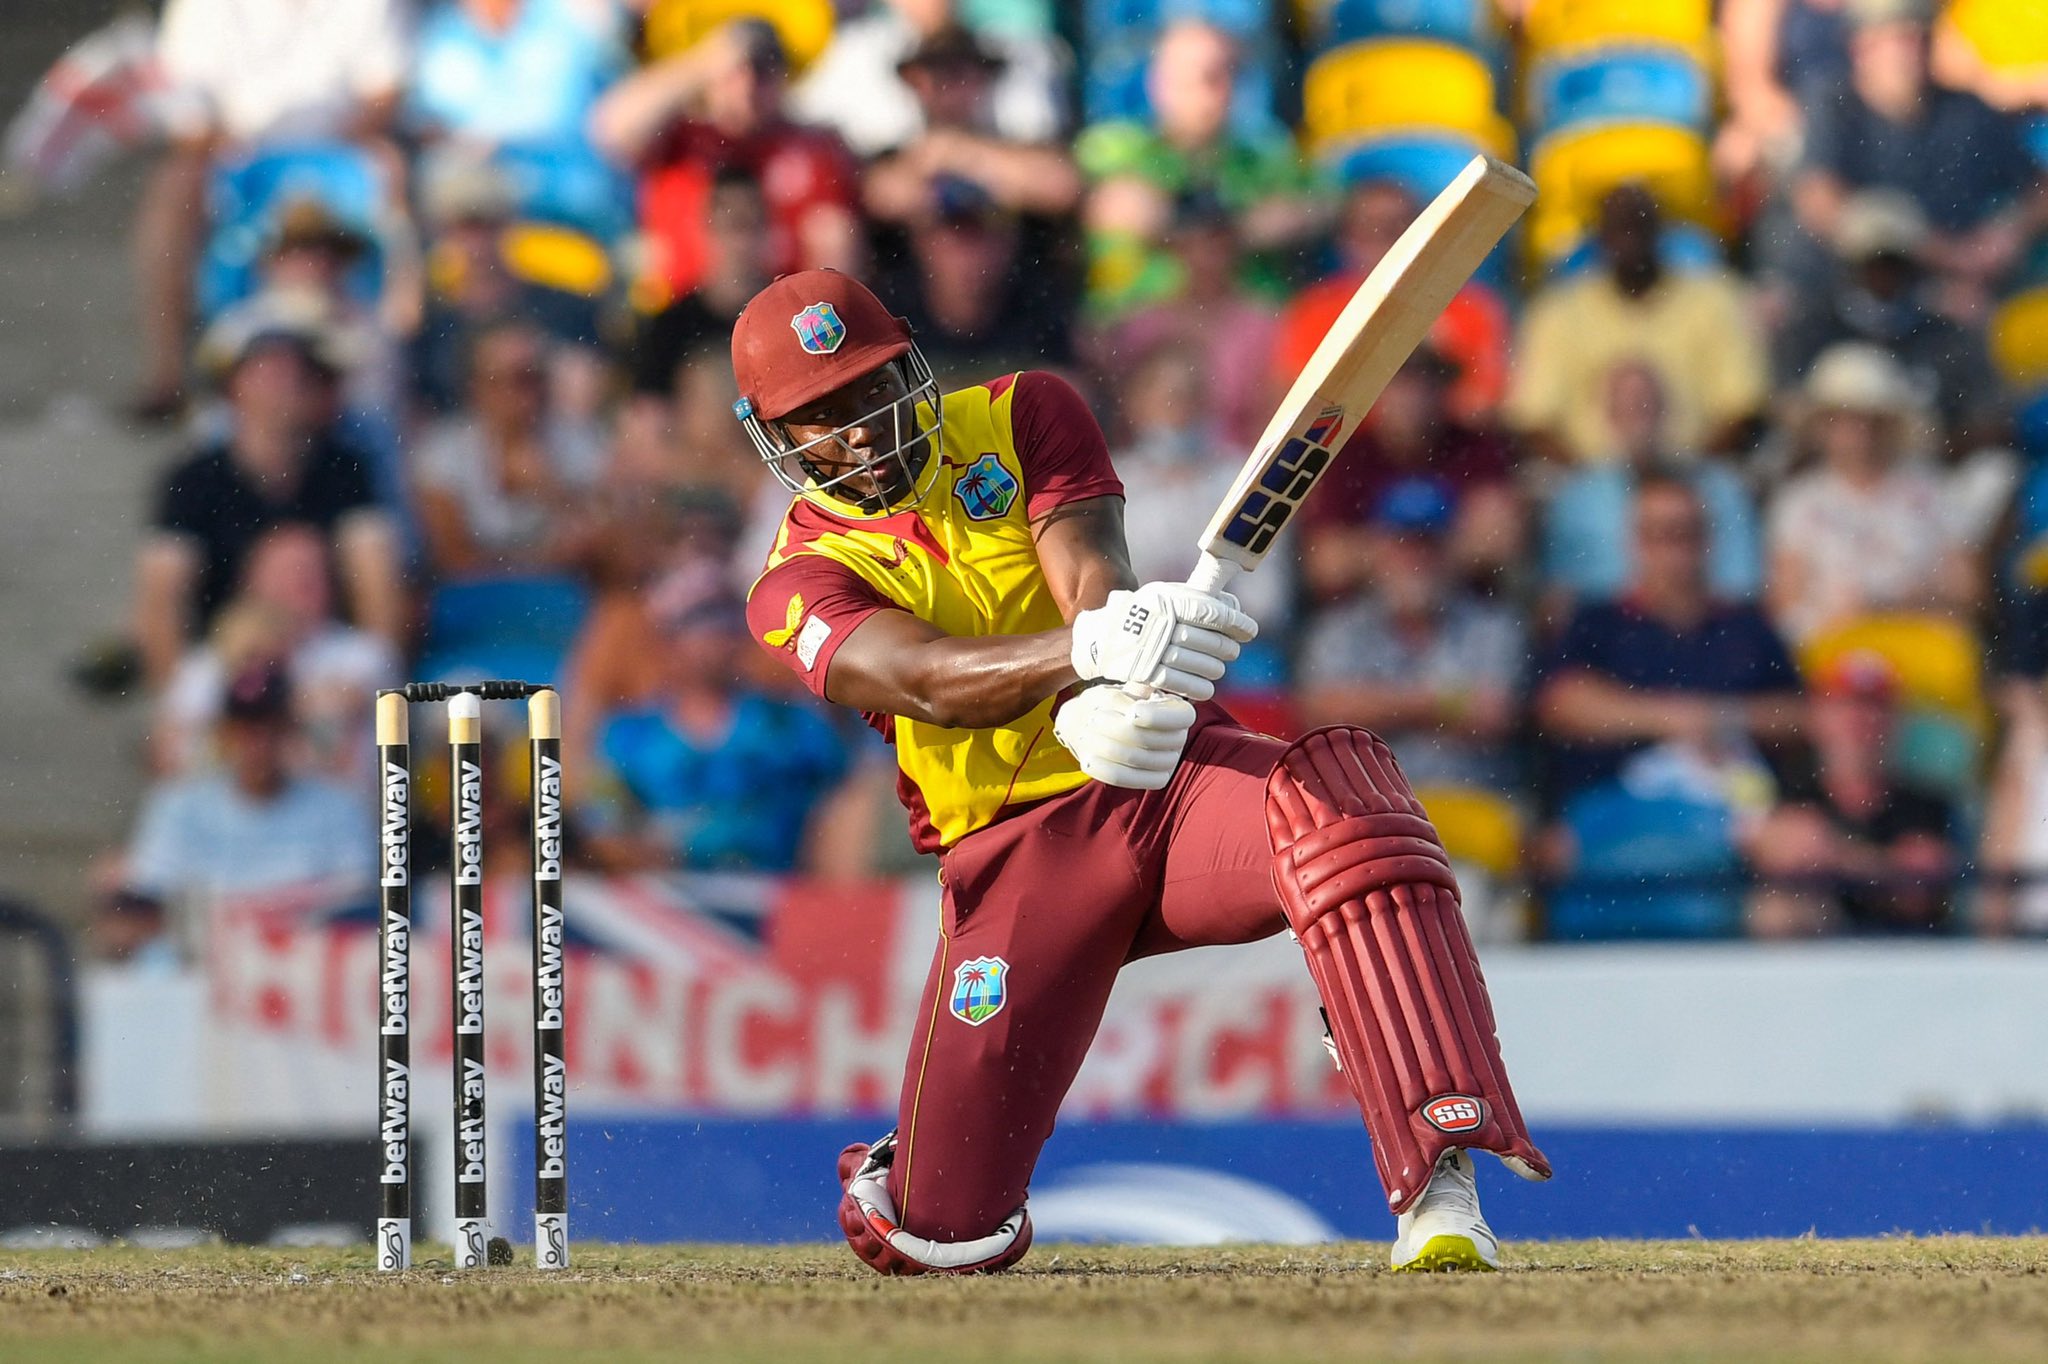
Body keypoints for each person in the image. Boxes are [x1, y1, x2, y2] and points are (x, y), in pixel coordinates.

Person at [731, 269, 1548, 1276]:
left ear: (910, 367)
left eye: (867, 392)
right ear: (772, 437)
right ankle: (916, 1165)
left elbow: (1089, 573)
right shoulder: (789, 581)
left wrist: (1119, 644)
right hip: (1010, 857)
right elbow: (924, 678)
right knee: (934, 1233)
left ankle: (1437, 1185)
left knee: (1347, 810)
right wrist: (1081, 657)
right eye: (818, 417)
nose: (856, 431)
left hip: (1160, 781)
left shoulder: (1026, 410)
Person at [137, 0, 409, 419]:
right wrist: (229, 147)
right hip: (236, 154)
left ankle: (403, 337)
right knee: (175, 187)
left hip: (339, 152)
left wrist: (316, 156)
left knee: (390, 170)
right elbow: (184, 106)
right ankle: (169, 372)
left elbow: (383, 94)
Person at [133, 312, 404, 690]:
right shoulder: (193, 480)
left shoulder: (344, 468)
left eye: (304, 372)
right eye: (274, 368)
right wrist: (183, 706)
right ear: (232, 386)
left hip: (327, 664)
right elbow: (162, 599)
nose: (292, 381)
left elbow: (377, 581)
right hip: (227, 662)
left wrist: (377, 682)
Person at [1536, 476, 1806, 802]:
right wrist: (1669, 718)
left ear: (1708, 540)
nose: (1673, 549)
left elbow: (1799, 714)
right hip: (1619, 812)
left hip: (1737, 812)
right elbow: (1561, 704)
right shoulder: (1598, 622)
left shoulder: (1746, 624)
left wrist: (1721, 718)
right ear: (1634, 542)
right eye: (1658, 534)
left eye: (1685, 532)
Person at [1791, 0, 2048, 322]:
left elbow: (2040, 187)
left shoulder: (1965, 111)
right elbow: (1820, 201)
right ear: (1859, 47)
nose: (1906, 53)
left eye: (1916, 37)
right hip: (1866, 299)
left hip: (1968, 298)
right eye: (1892, 39)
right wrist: (1949, 256)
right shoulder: (1834, 104)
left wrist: (2010, 232)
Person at [582, 565, 851, 873]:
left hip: (784, 899)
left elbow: (848, 806)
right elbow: (606, 832)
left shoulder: (795, 726)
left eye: (728, 619)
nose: (718, 635)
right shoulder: (627, 739)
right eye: (701, 620)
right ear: (666, 640)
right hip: (664, 906)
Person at [590, 19, 863, 312]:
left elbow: (836, 250)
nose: (748, 85)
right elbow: (610, 130)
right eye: (736, 71)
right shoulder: (681, 138)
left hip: (785, 319)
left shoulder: (811, 149)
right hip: (682, 315)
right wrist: (705, 61)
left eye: (762, 71)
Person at [1075, 18, 1323, 319]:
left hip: (1247, 329)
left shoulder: (1267, 152)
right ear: (1159, 83)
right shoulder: (1115, 147)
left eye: (1228, 75)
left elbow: (1325, 203)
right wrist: (1235, 229)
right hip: (1136, 324)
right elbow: (1088, 201)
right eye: (1201, 77)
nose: (1216, 91)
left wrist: (1175, 226)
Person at [120, 665, 377, 955]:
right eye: (244, 731)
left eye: (269, 729)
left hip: (305, 963)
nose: (257, 745)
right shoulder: (178, 805)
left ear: (289, 731)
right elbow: (149, 894)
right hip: (201, 962)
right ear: (223, 735)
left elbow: (359, 897)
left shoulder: (339, 805)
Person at [1506, 185, 1770, 465]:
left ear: (1660, 232)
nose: (1630, 238)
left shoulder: (1715, 300)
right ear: (1600, 237)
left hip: (1695, 476)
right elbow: (1532, 422)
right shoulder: (1557, 312)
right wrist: (1598, 481)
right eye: (1620, 228)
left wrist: (1676, 481)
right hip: (1589, 480)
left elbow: (1744, 410)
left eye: (1639, 226)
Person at [1298, 481, 1525, 792]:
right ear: (1377, 549)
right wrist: (1441, 702)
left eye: (1429, 544)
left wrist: (1375, 705)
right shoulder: (1341, 627)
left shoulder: (1492, 624)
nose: (1417, 558)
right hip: (1367, 804)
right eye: (1403, 543)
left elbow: (1494, 713)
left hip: (1470, 802)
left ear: (1452, 550)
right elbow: (1324, 713)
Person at [1765, 344, 1979, 644]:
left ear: (1891, 424)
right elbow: (1785, 604)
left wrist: (1912, 602)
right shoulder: (1798, 500)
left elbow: (1968, 595)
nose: (1860, 433)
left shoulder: (1935, 490)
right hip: (1831, 649)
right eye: (1844, 419)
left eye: (1871, 420)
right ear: (1821, 425)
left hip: (1918, 640)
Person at [1747, 652, 1959, 936]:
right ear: (1817, 717)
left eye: (1875, 707)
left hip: (1906, 952)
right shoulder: (1787, 788)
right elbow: (1780, 851)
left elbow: (1918, 891)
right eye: (1846, 706)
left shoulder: (1925, 803)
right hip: (1817, 944)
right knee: (1779, 907)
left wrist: (1833, 853)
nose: (1861, 721)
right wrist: (1883, 865)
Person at [1296, 345, 1522, 602]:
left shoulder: (1477, 447)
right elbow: (1324, 564)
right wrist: (1420, 552)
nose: (1414, 397)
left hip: (1463, 607)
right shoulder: (1347, 455)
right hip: (1367, 612)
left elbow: (1499, 543)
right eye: (1401, 382)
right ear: (1378, 391)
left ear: (1445, 388)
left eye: (1426, 381)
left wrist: (1393, 553)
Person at [1542, 361, 1764, 616]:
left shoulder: (1721, 489)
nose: (1638, 417)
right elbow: (1560, 593)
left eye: (1646, 404)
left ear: (1666, 410)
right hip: (1608, 633)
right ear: (1609, 415)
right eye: (1626, 407)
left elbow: (1741, 586)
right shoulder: (1577, 498)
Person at [412, 318, 610, 581]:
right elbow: (453, 561)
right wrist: (543, 558)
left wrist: (552, 491)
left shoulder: (576, 439)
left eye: (537, 376)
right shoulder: (442, 453)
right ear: (476, 386)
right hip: (482, 594)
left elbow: (607, 543)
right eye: (517, 379)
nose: (531, 394)